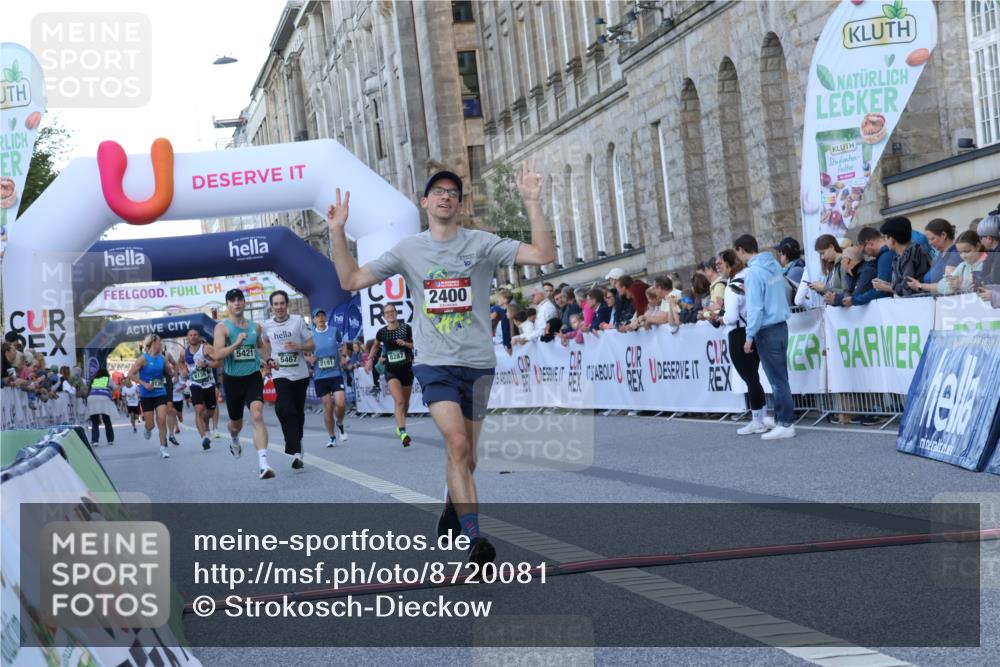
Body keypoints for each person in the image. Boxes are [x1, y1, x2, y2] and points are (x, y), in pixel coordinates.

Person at [325, 163, 555, 567]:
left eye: (453, 191)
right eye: (439, 191)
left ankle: (453, 498)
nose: (446, 195)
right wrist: (336, 233)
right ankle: (475, 541)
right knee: (458, 445)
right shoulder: (409, 249)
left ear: (460, 204)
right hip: (434, 364)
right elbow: (351, 281)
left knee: (469, 459)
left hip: (479, 364)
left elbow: (543, 255)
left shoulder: (481, 243)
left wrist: (532, 204)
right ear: (425, 202)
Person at [734, 234, 795, 440]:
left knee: (777, 380)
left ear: (741, 249)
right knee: (780, 376)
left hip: (766, 328)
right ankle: (781, 419)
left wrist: (749, 336)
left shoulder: (752, 272)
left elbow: (756, 308)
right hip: (781, 324)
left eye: (738, 253)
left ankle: (785, 423)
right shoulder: (774, 265)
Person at [212, 288, 273, 479]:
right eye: (232, 300)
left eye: (239, 299)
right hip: (232, 381)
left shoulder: (256, 327)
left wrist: (269, 360)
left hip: (253, 376)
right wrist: (236, 344)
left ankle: (263, 464)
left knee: (256, 415)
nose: (236, 303)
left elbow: (261, 347)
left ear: (244, 303)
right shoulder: (222, 327)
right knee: (235, 424)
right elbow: (217, 354)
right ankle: (234, 438)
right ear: (228, 305)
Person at [717, 249, 774, 434]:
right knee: (754, 377)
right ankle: (762, 417)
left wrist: (719, 318)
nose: (720, 269)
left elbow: (731, 316)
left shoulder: (732, 285)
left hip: (739, 333)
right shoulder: (750, 275)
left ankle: (758, 420)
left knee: (750, 378)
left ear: (728, 265)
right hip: (755, 328)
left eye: (721, 265)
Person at [262, 290, 316, 470]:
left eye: (282, 303)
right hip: (280, 373)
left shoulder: (298, 321)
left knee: (298, 413)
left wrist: (299, 346)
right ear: (272, 306)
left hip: (300, 374)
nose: (279, 307)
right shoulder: (267, 325)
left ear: (287, 304)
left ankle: (297, 444)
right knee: (285, 408)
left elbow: (312, 345)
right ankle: (293, 448)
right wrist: (268, 359)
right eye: (275, 304)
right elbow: (263, 345)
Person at [369, 303, 415, 447]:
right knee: (399, 401)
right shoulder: (381, 332)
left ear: (396, 313)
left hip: (406, 369)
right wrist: (369, 360)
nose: (390, 314)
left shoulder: (406, 328)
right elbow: (376, 346)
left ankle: (401, 424)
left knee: (405, 403)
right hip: (391, 370)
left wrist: (405, 344)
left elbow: (416, 344)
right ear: (384, 316)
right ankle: (402, 432)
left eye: (392, 311)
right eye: (387, 312)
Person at [305, 307, 349, 448]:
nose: (321, 318)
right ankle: (332, 437)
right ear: (313, 320)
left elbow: (343, 345)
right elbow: (304, 351)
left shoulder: (334, 330)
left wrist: (343, 357)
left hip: (335, 373)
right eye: (317, 316)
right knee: (328, 407)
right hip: (320, 376)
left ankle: (340, 423)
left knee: (341, 404)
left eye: (323, 315)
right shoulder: (310, 334)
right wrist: (309, 359)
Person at [128, 334, 176, 459]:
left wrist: (174, 373)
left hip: (160, 393)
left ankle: (163, 448)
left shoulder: (162, 359)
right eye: (160, 342)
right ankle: (147, 428)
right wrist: (144, 383)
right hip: (146, 395)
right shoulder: (143, 359)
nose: (161, 344)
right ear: (153, 342)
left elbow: (169, 372)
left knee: (161, 420)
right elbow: (131, 375)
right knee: (151, 425)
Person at [906, 230, 986, 296]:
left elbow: (990, 287)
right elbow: (943, 285)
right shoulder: (963, 265)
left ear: (978, 246)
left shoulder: (989, 263)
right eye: (960, 253)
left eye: (967, 251)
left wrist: (961, 285)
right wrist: (953, 284)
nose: (963, 256)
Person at [872, 216, 930, 296]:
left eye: (885, 238)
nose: (885, 242)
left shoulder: (912, 253)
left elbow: (907, 289)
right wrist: (888, 284)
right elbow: (900, 285)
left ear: (892, 239)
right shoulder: (899, 256)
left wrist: (886, 287)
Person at [184, 328, 220, 451]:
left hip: (209, 383)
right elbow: (180, 363)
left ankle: (206, 425)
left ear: (199, 337)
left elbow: (219, 362)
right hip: (195, 384)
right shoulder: (183, 352)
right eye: (190, 335)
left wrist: (206, 364)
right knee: (198, 410)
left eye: (195, 335)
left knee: (209, 412)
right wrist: (183, 371)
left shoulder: (206, 349)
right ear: (187, 338)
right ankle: (204, 437)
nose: (193, 337)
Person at [844, 226, 894, 307]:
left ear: (870, 243)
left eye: (864, 250)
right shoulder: (882, 257)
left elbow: (881, 290)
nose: (866, 254)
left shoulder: (885, 257)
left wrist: (855, 300)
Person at [803, 235, 849, 306]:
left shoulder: (843, 263)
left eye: (823, 253)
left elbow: (846, 293)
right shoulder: (832, 266)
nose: (822, 257)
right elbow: (832, 291)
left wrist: (824, 288)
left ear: (831, 247)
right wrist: (819, 289)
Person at [86, 367, 118, 447]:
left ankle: (95, 440)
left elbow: (88, 390)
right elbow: (115, 387)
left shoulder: (94, 380)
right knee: (106, 420)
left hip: (92, 398)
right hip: (104, 397)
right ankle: (110, 440)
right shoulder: (107, 379)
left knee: (95, 421)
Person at [921, 218, 960, 283]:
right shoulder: (940, 254)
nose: (929, 243)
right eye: (928, 240)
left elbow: (948, 285)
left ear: (943, 235)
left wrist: (920, 286)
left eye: (932, 239)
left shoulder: (954, 253)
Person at [774, 237, 805, 305]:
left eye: (780, 253)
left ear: (785, 255)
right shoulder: (792, 268)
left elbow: (785, 291)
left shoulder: (795, 270)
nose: (779, 256)